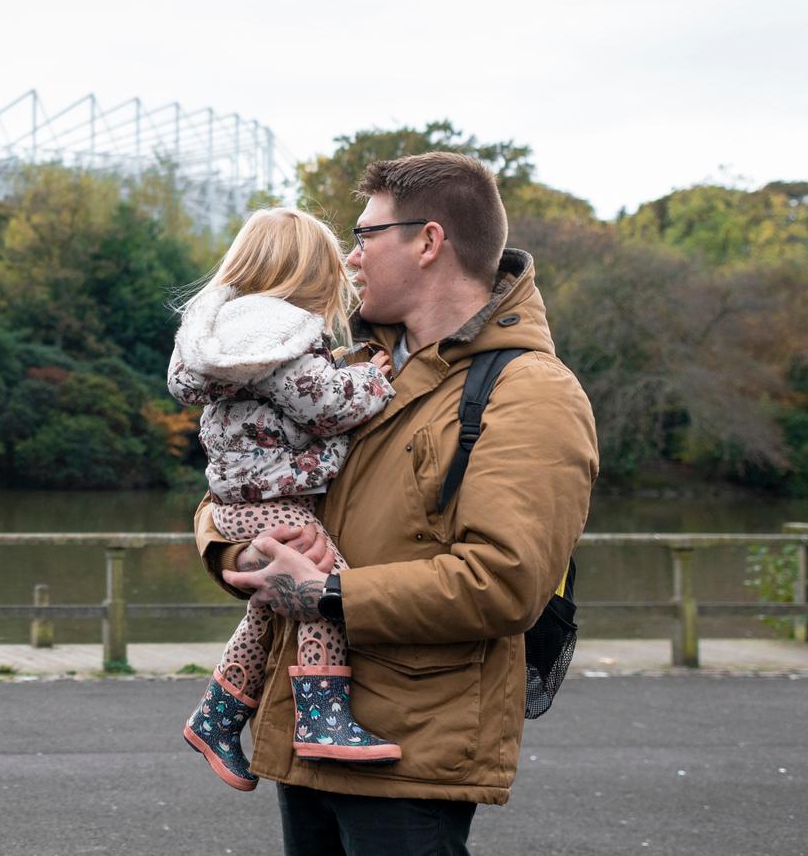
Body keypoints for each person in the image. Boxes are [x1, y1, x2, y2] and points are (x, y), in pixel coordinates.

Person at [199, 152, 598, 856]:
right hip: (307, 737)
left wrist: (326, 595)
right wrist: (239, 550)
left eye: (364, 236)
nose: (349, 260)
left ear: (428, 241)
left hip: (410, 754)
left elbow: (504, 582)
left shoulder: (532, 392)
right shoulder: (346, 372)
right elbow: (236, 485)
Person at [167, 207, 404, 790]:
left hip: (239, 498)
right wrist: (373, 378)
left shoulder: (229, 335)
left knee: (267, 608)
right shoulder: (274, 337)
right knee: (326, 592)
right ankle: (323, 718)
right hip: (273, 498)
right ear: (307, 276)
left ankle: (218, 715)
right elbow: (326, 407)